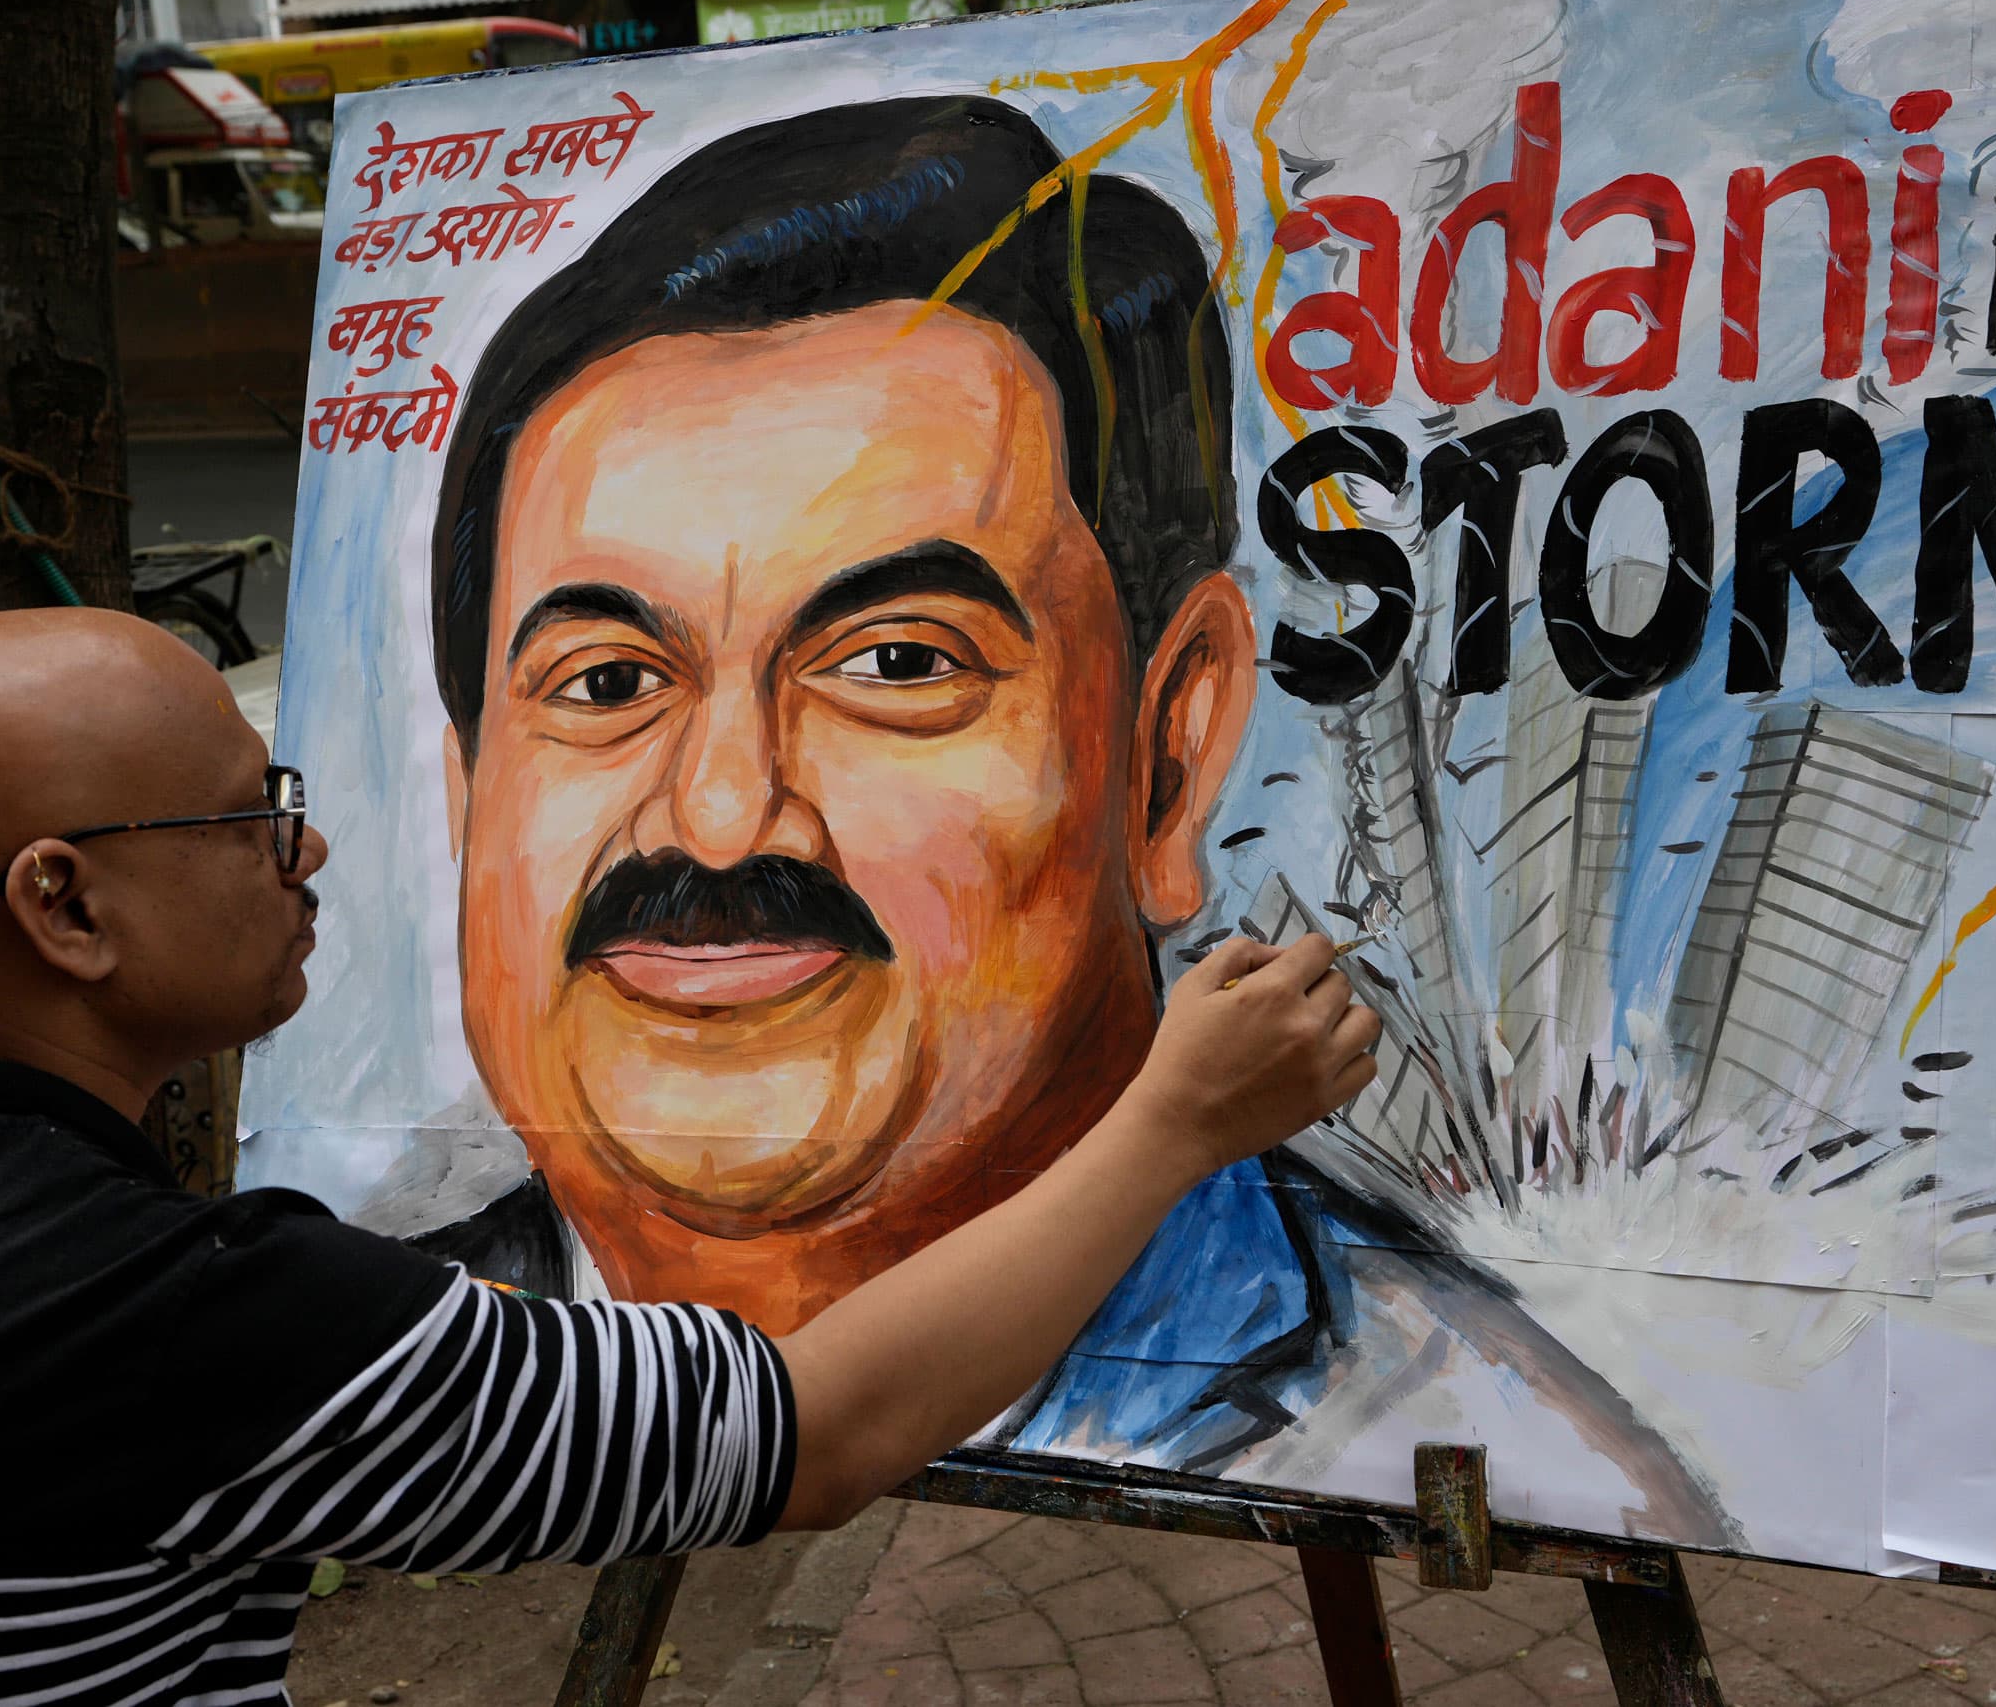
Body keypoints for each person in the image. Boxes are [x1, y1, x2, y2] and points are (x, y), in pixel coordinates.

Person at [408, 95, 1740, 1545]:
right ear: (472, 791)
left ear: (1168, 759)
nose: (722, 817)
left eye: (899, 664)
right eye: (606, 682)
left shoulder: (1476, 1435)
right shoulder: (396, 1372)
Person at [0, 608, 1377, 1704]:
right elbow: (816, 1436)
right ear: (63, 905)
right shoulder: (174, 1327)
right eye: (246, 821)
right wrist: (1174, 1124)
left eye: (892, 659)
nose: (305, 850)